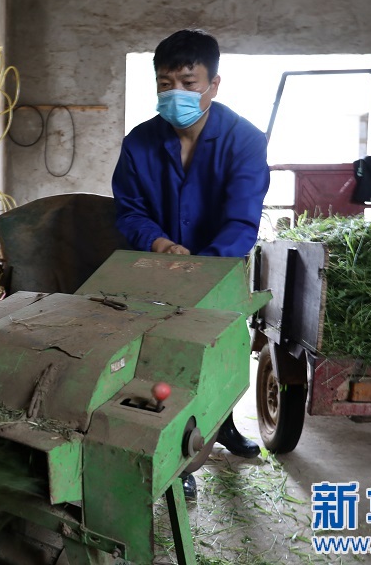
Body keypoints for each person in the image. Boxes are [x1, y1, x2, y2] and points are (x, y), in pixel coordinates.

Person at [112, 29, 270, 500]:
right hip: (155, 273)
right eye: (165, 84)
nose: (174, 94)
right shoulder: (140, 143)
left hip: (218, 274)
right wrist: (156, 242)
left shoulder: (244, 141)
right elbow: (128, 210)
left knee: (219, 354)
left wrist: (203, 272)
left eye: (187, 81)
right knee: (161, 360)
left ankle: (221, 425)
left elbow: (242, 217)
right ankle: (176, 453)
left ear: (213, 84)